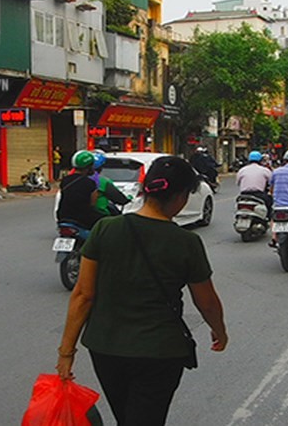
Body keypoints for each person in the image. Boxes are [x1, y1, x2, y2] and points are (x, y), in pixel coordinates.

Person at [55, 156, 228, 425]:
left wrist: (66, 353)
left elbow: (82, 295)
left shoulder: (104, 229)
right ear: (182, 196)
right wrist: (219, 331)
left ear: (146, 189)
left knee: (126, 417)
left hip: (105, 349)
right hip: (159, 352)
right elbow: (206, 302)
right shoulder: (186, 242)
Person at [56, 150, 104, 230]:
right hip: (83, 217)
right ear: (88, 167)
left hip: (62, 216)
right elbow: (93, 204)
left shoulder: (65, 180)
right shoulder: (90, 183)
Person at [92, 150, 130, 216]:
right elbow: (120, 199)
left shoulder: (73, 178)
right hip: (99, 215)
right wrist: (128, 199)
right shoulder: (103, 182)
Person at [236, 150, 273, 217]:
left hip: (243, 195)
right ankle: (267, 218)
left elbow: (238, 182)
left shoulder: (242, 170)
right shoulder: (265, 170)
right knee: (269, 203)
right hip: (259, 195)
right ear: (260, 160)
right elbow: (271, 182)